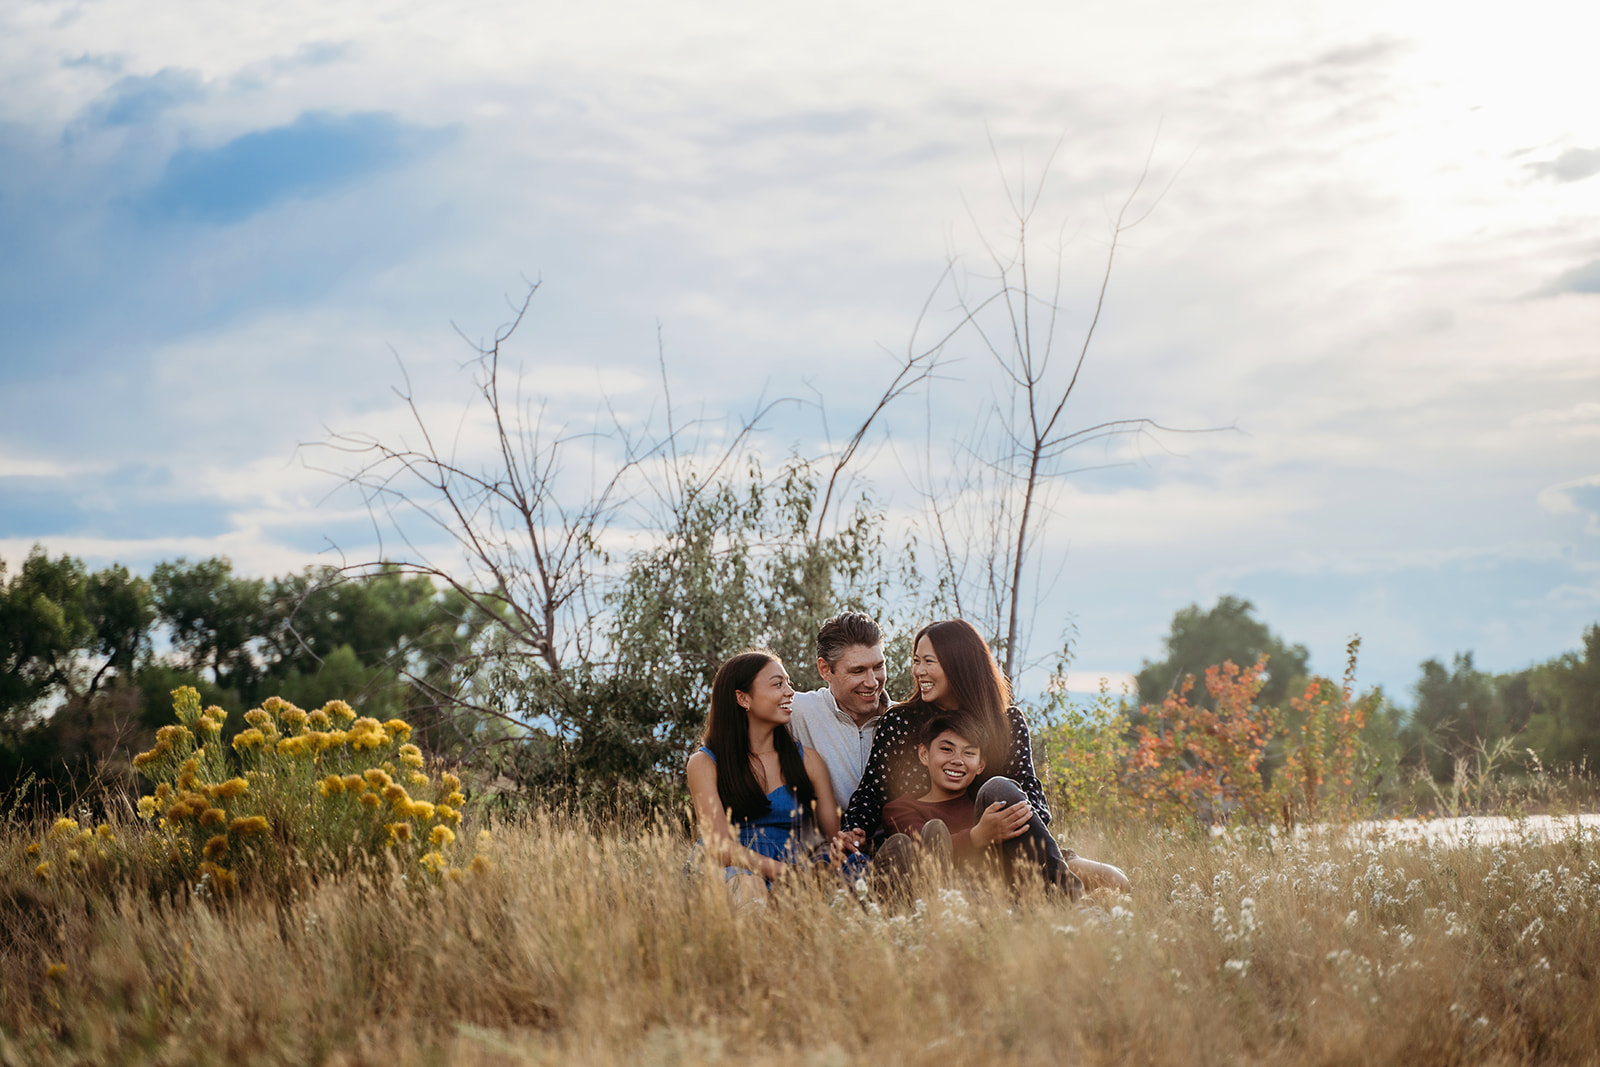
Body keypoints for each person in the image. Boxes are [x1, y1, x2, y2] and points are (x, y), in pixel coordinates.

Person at [844, 618, 1130, 895]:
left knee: (1114, 881)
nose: (919, 671)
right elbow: (872, 791)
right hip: (927, 847)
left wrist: (1015, 833)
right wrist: (854, 830)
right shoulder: (902, 721)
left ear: (959, 664)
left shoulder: (1006, 722)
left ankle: (1056, 889)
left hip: (1004, 842)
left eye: (929, 662)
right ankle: (1049, 895)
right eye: (916, 661)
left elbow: (1029, 792)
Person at [686, 649, 847, 900]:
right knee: (750, 888)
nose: (790, 692)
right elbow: (718, 845)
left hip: (792, 870)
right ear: (743, 698)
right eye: (778, 684)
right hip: (728, 871)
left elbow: (834, 835)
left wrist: (843, 845)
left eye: (789, 683)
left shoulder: (807, 761)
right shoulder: (705, 763)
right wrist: (786, 873)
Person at [789, 610, 889, 815]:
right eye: (858, 671)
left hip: (895, 842)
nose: (872, 682)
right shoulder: (796, 710)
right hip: (823, 843)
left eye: (878, 667)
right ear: (825, 669)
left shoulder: (905, 720)